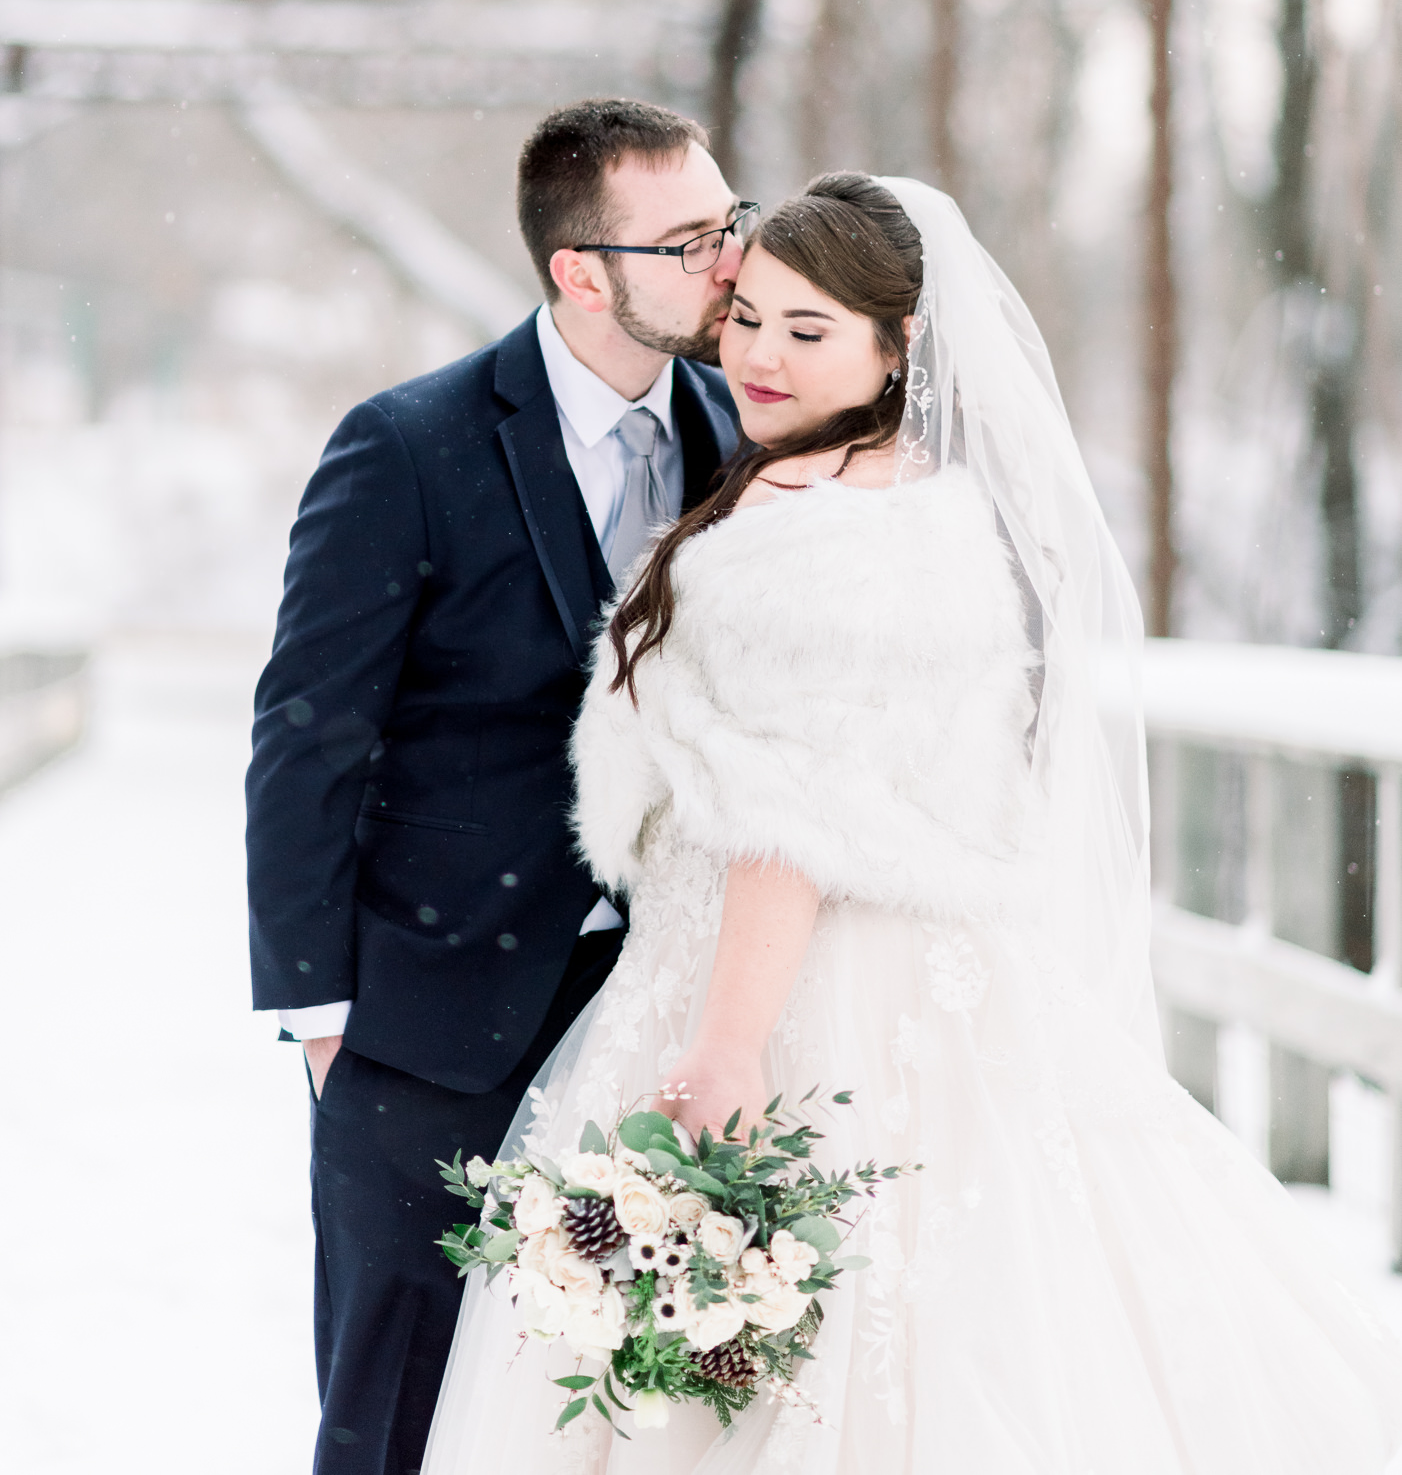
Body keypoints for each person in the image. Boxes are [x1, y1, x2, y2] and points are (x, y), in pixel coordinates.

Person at [422, 173, 1402, 1475]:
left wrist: (723, 1046)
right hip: (916, 976)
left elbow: (783, 822)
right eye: (749, 316)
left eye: (808, 331)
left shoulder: (810, 525)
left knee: (775, 1351)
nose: (758, 355)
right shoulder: (911, 498)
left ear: (895, 349)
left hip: (782, 984)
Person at [245, 97, 743, 1475]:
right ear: (580, 270)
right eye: (688, 238)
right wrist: (322, 1014)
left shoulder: (741, 440)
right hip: (429, 1019)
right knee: (395, 1402)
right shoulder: (406, 445)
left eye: (728, 224)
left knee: (623, 1402)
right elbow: (306, 730)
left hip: (660, 1006)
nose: (728, 264)